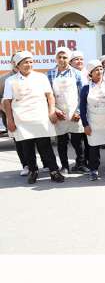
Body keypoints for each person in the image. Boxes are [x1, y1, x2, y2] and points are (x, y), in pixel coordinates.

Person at [2, 51, 64, 184]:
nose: (28, 64)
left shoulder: (41, 77)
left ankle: (54, 171)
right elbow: (7, 101)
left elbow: (50, 95)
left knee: (45, 145)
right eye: (25, 62)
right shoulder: (10, 80)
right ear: (17, 65)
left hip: (40, 116)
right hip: (21, 119)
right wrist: (10, 120)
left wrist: (52, 111)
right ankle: (33, 171)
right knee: (27, 147)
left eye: (30, 61)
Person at [47, 47, 87, 174]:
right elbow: (48, 95)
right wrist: (55, 110)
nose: (62, 60)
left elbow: (83, 95)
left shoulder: (77, 73)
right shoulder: (50, 74)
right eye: (59, 57)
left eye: (65, 57)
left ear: (69, 59)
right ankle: (64, 166)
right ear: (56, 58)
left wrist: (79, 112)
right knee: (62, 142)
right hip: (60, 113)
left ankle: (80, 164)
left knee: (77, 141)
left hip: (74, 111)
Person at [79, 60, 105, 180]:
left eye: (101, 69)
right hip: (94, 122)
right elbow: (82, 108)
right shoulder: (86, 89)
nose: (99, 71)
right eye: (96, 70)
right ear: (91, 73)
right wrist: (85, 124)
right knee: (93, 146)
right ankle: (93, 169)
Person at [0, 55, 29, 175]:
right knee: (19, 141)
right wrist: (9, 114)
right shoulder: (4, 79)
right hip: (11, 115)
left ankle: (44, 164)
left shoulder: (32, 76)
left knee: (34, 140)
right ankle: (26, 166)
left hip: (29, 114)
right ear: (13, 63)